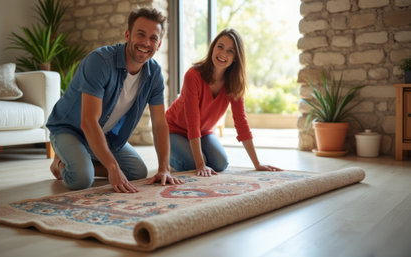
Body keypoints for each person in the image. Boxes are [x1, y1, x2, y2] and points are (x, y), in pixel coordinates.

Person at [47, 7, 183, 192]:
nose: (146, 42)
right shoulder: (100, 61)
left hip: (106, 135)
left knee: (137, 172)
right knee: (81, 179)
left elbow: (160, 124)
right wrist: (112, 167)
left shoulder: (155, 74)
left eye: (153, 38)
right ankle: (60, 165)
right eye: (140, 34)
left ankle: (85, 160)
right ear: (127, 35)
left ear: (159, 45)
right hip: (71, 130)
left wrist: (164, 169)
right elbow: (88, 121)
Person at [165, 28, 282, 176]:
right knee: (193, 164)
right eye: (220, 46)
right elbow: (192, 122)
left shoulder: (234, 83)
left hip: (203, 132)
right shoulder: (193, 75)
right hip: (172, 129)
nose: (223, 54)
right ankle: (167, 154)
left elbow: (241, 122)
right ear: (213, 47)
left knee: (220, 163)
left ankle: (189, 154)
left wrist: (257, 164)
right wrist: (201, 165)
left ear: (236, 58)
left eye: (230, 51)